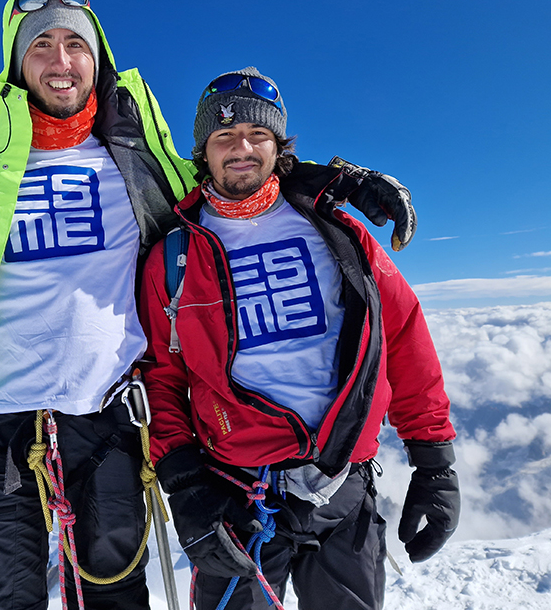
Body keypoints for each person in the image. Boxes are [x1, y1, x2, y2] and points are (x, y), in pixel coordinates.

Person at [0, 0, 420, 610]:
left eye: (75, 43)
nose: (61, 61)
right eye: (41, 44)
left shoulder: (142, 165)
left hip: (110, 425)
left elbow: (232, 176)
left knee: (116, 603)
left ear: (98, 59)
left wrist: (335, 181)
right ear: (15, 62)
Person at [138, 67, 460, 610]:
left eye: (257, 135)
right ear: (203, 152)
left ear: (277, 146)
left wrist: (434, 459)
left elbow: (401, 336)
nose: (241, 148)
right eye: (223, 137)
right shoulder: (172, 257)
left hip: (345, 486)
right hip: (235, 496)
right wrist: (185, 483)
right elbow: (161, 378)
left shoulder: (337, 231)